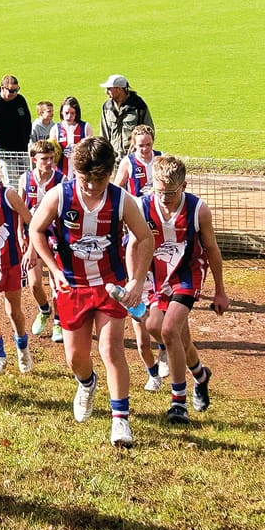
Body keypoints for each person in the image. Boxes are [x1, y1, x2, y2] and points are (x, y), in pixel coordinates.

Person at [29, 136, 153, 448]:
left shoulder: (122, 200)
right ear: (73, 170)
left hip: (110, 286)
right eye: (84, 179)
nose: (90, 187)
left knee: (111, 349)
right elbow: (36, 230)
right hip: (72, 285)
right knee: (75, 357)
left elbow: (145, 237)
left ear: (110, 173)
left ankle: (120, 421)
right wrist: (54, 271)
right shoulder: (60, 195)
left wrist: (137, 281)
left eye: (98, 180)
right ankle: (87, 383)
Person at [131, 156, 229, 424]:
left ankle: (178, 402)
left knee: (169, 330)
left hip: (187, 273)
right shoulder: (141, 206)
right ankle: (200, 374)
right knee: (158, 329)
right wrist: (134, 282)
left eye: (171, 193)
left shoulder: (199, 210)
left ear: (184, 186)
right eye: (160, 191)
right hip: (154, 274)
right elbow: (132, 246)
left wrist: (220, 290)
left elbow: (212, 250)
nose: (164, 198)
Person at [114, 124, 167, 388]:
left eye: (147, 144)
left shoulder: (161, 159)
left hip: (157, 224)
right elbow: (116, 189)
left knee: (159, 321)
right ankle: (152, 372)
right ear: (133, 145)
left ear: (153, 142)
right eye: (139, 145)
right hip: (138, 219)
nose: (144, 149)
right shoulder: (127, 163)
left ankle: (166, 350)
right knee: (140, 335)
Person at [0, 159, 33, 376]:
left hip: (10, 261)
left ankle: (23, 350)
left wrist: (31, 248)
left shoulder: (8, 194)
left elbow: (31, 220)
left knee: (14, 310)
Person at [18, 139, 64, 343]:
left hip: (53, 235)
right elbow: (20, 208)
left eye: (51, 158)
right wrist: (20, 233)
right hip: (31, 235)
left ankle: (58, 322)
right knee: (35, 284)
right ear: (34, 159)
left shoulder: (61, 179)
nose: (49, 162)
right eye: (44, 159)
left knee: (56, 283)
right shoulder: (25, 179)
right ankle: (44, 310)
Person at [0, 75, 31, 184]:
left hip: (22, 151)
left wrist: (25, 140)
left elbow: (27, 122)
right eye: (11, 90)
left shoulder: (20, 100)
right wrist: (14, 139)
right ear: (2, 88)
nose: (14, 93)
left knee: (27, 183)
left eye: (16, 90)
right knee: (11, 184)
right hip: (6, 154)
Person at [99, 75, 153, 160]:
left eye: (109, 89)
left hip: (134, 157)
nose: (106, 92)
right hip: (113, 158)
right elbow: (104, 133)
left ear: (120, 89)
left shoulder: (138, 106)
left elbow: (149, 131)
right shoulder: (107, 107)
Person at [49, 96, 93, 178]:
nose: (69, 116)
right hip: (61, 174)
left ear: (77, 113)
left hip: (80, 173)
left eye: (72, 113)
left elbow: (91, 150)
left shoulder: (86, 127)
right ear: (61, 112)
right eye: (66, 113)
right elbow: (51, 152)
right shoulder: (56, 129)